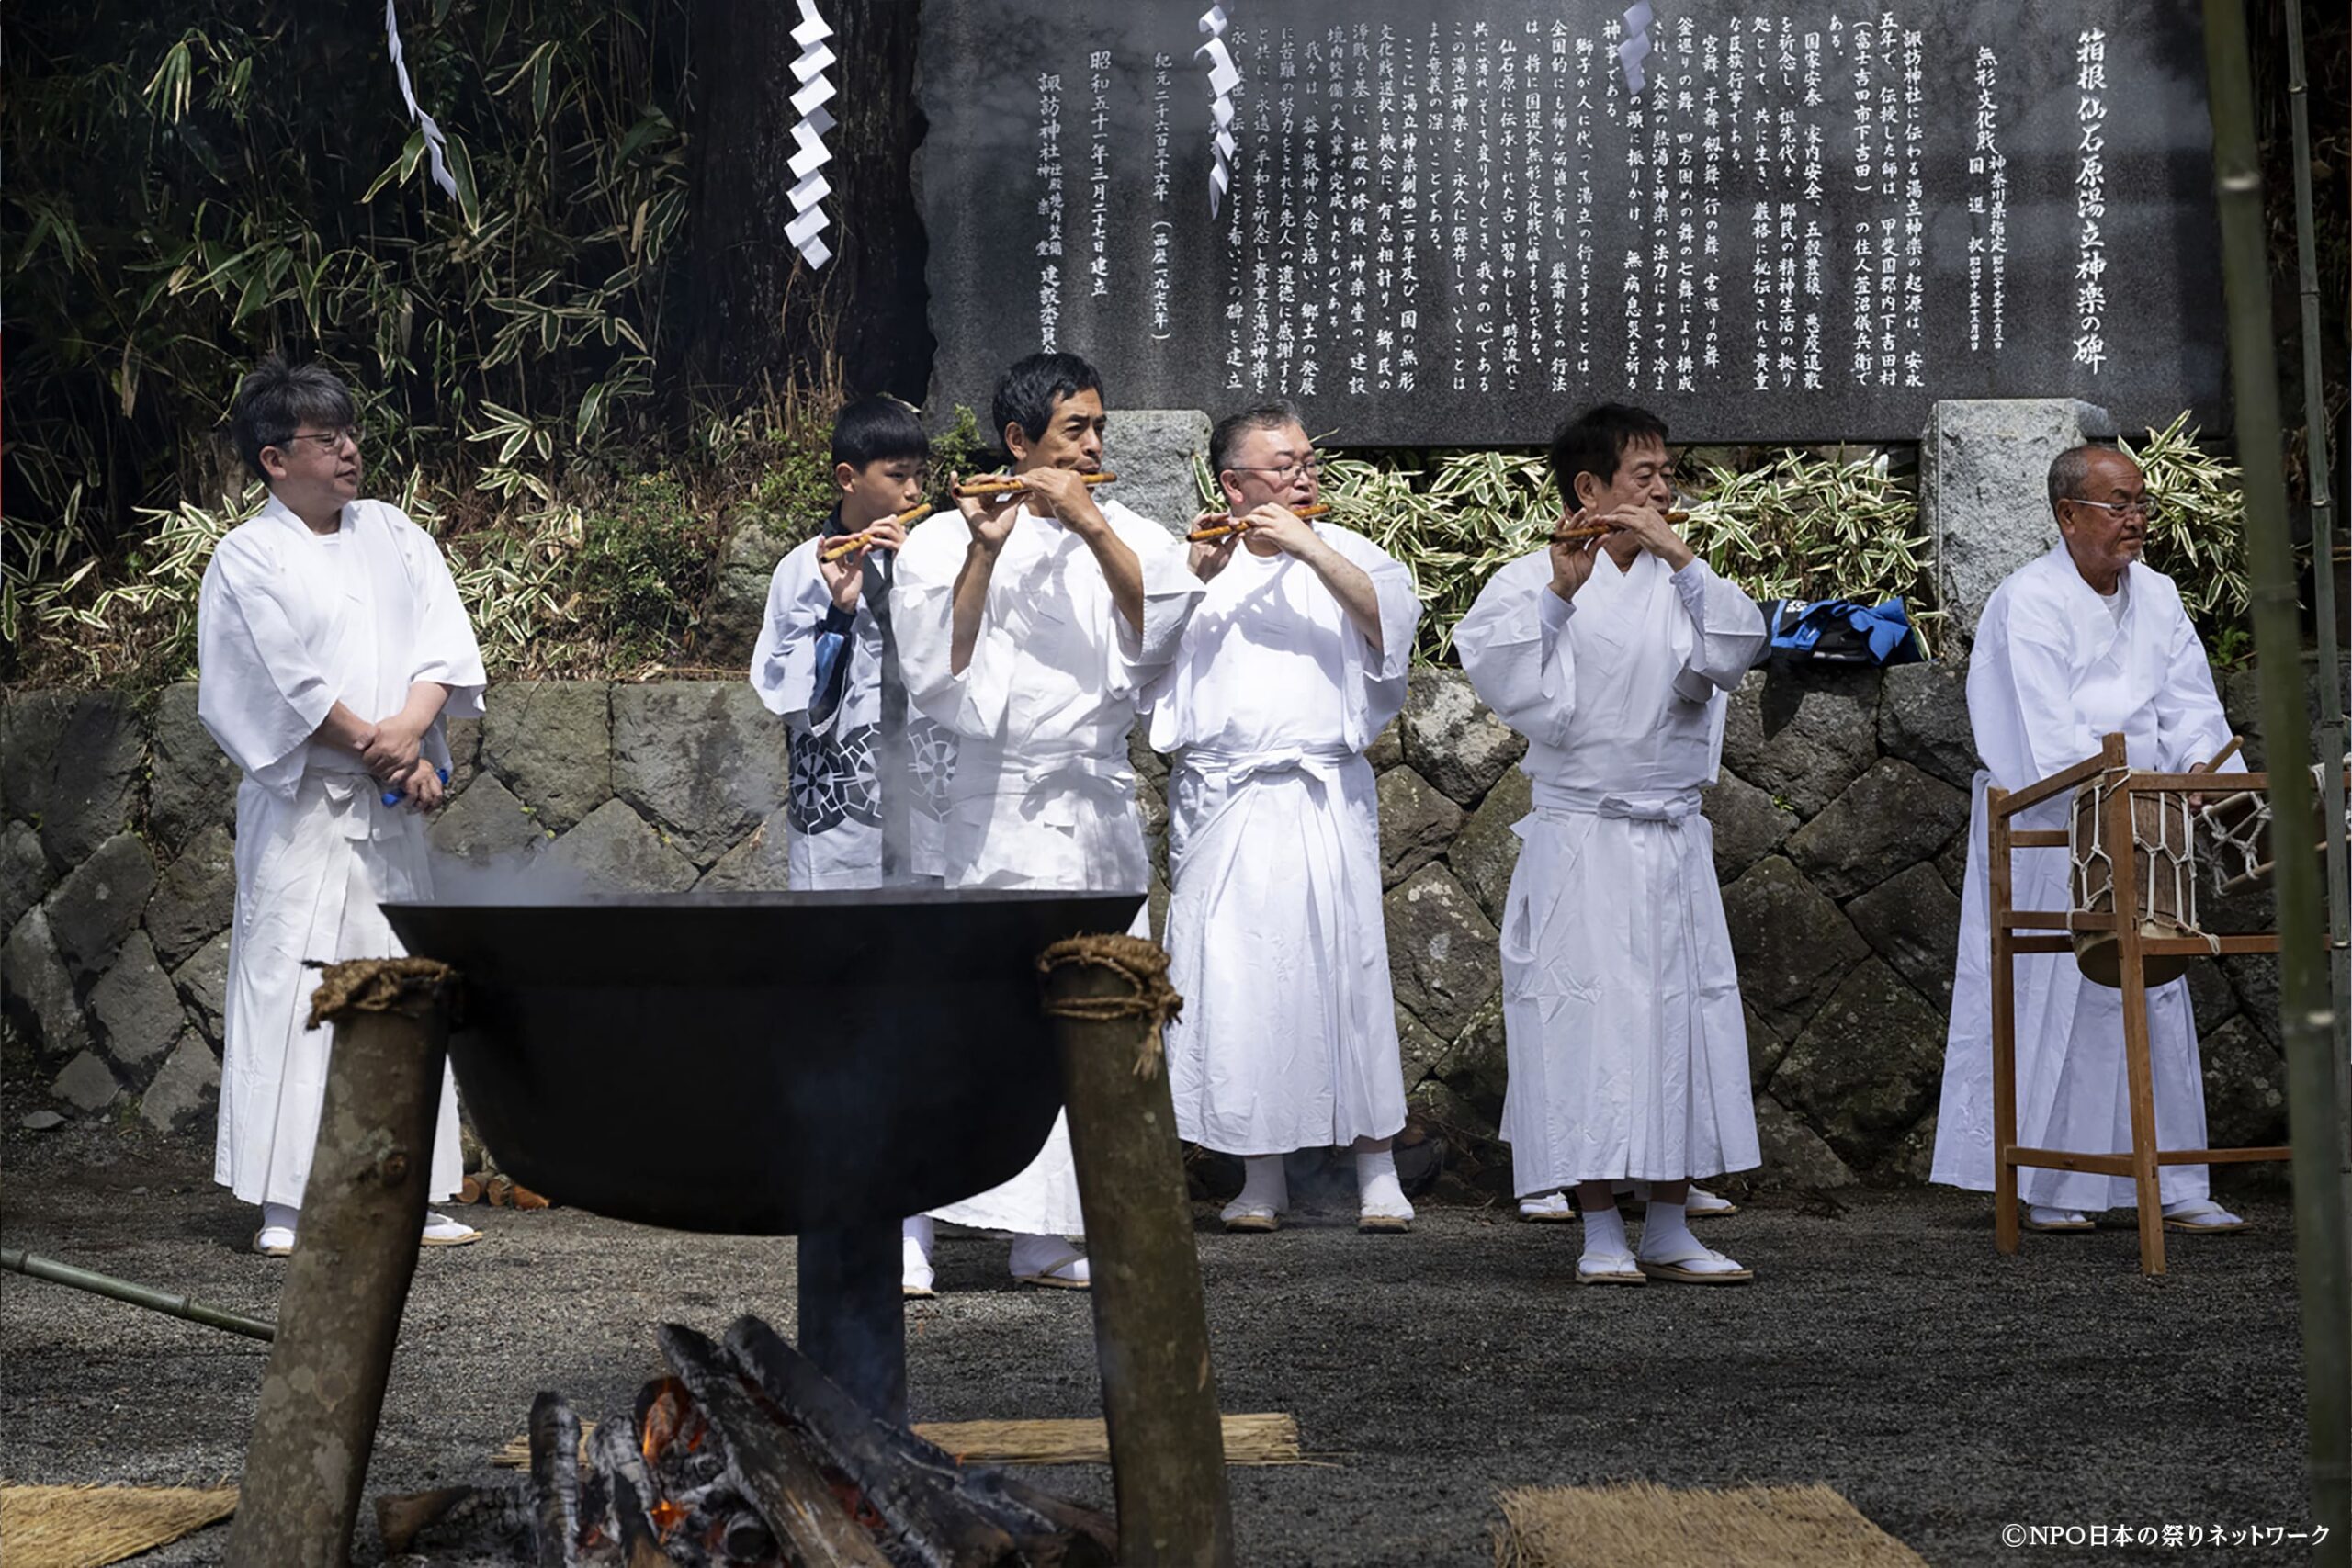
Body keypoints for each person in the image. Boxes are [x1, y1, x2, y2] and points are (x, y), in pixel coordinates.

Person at [890, 352, 1204, 1292]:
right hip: (993, 808)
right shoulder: (939, 540)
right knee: (972, 1017)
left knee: (1096, 1017)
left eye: (1098, 427)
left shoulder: (1131, 530)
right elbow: (937, 678)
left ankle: (1048, 1231)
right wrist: (988, 547)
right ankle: (913, 1220)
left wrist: (1089, 520)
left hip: (1092, 800)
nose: (1095, 444)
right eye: (1075, 430)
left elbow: (1160, 637)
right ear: (1019, 441)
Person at [1454, 403, 1767, 1286]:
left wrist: (1678, 555)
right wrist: (1560, 591)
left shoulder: (1686, 579)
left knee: (1681, 1016)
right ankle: (1598, 1230)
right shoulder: (1528, 582)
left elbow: (1736, 648)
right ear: (1589, 488)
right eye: (1644, 475)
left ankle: (1669, 1223)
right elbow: (1517, 689)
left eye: (1668, 473)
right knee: (1582, 1021)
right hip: (1583, 836)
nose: (1663, 488)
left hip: (1668, 837)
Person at [198, 356, 485, 1258]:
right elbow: (280, 685)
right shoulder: (247, 557)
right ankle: (289, 1200)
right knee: (296, 991)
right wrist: (382, 746)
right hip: (305, 815)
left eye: (351, 433)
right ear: (276, 460)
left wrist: (408, 735)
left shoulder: (395, 533)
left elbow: (443, 644)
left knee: (398, 986)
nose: (349, 450)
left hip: (389, 809)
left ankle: (413, 1187)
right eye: (327, 439)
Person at [1930, 445, 2247, 1234]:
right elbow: (2041, 734)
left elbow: (2190, 705)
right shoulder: (2026, 600)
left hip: (2147, 816)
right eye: (2118, 504)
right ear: (2068, 515)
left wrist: (2211, 776)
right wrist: (2119, 783)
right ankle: (2052, 1181)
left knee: (2155, 991)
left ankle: (2172, 1178)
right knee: (2061, 990)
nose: (2135, 519)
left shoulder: (2161, 593)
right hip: (2053, 820)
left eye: (2141, 502)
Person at [1145, 401, 1423, 1233]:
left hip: (1319, 789)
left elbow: (1391, 629)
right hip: (1224, 794)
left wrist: (1310, 545)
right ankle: (1259, 1172)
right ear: (1232, 483)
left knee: (1346, 967)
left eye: (1307, 459)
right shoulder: (1191, 558)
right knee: (1234, 981)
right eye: (1281, 464)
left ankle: (1376, 1164)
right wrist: (1191, 573)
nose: (1302, 473)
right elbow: (1135, 658)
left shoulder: (1353, 552)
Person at [750, 395, 956, 889]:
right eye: (898, 475)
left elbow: (958, 657)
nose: (914, 491)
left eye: (920, 477)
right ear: (849, 478)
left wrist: (916, 570)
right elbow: (791, 696)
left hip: (924, 785)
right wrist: (840, 613)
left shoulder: (935, 555)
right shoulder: (800, 568)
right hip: (842, 799)